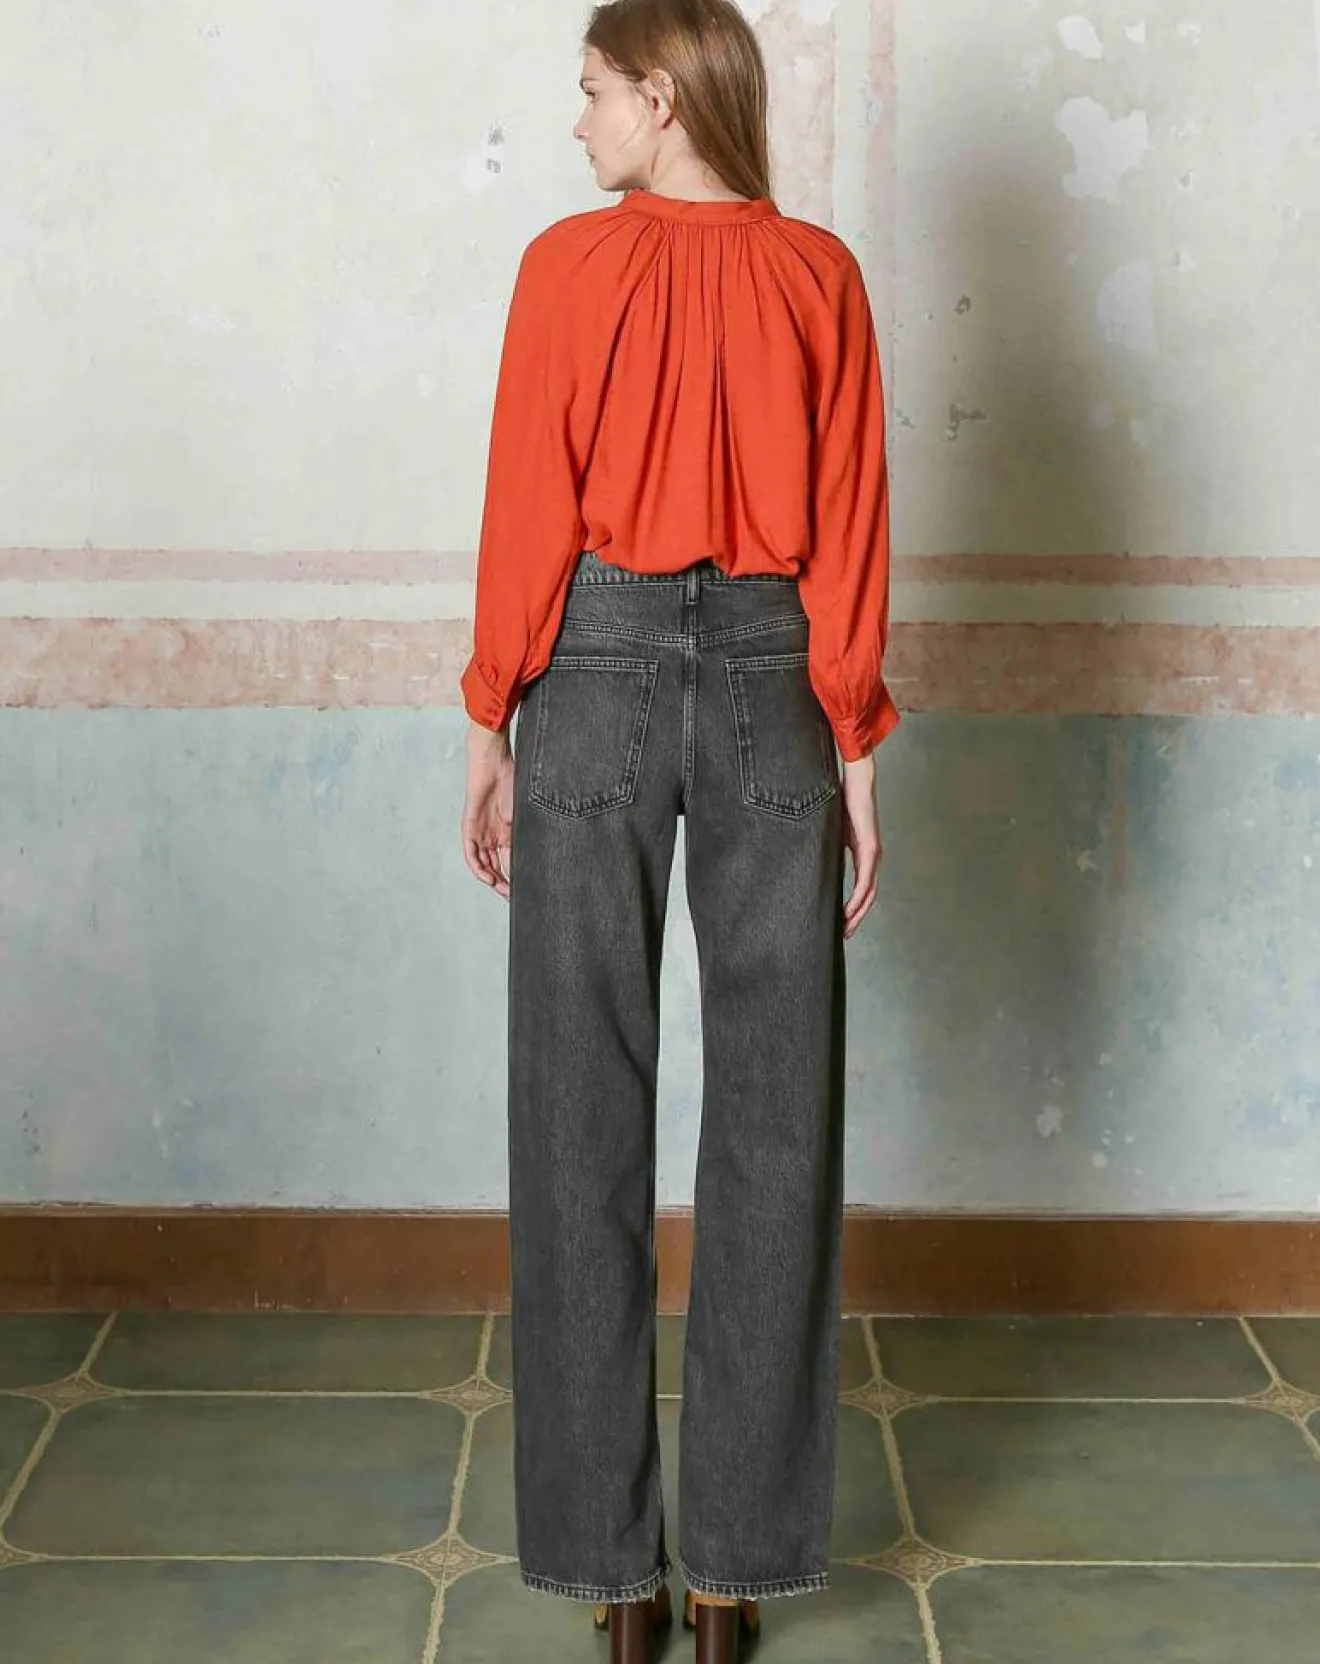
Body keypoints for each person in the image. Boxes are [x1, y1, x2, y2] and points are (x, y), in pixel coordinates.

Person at [458, 2, 899, 1659]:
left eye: (591, 92)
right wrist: (856, 742)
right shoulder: (820, 273)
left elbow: (528, 503)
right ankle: (734, 1579)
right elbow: (850, 524)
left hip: (594, 668)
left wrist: (492, 716)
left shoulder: (567, 269)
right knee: (778, 1119)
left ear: (659, 96)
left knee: (577, 1109)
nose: (577, 122)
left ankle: (611, 1583)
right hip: (782, 677)